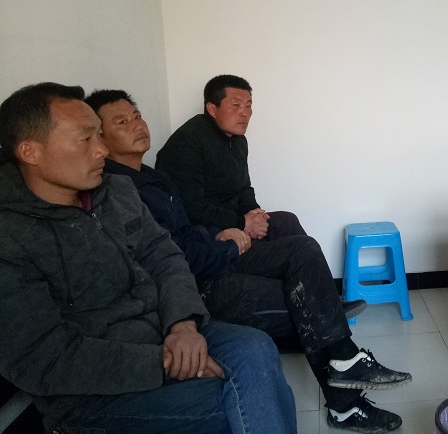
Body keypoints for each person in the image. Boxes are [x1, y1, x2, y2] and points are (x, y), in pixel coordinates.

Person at [86, 88, 411, 433]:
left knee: (292, 241)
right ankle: (342, 377)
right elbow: (177, 248)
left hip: (209, 255)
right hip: (198, 283)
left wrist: (240, 221)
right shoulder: (132, 184)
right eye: (122, 122)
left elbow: (194, 224)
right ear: (99, 138)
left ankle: (337, 347)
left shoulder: (153, 176)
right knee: (306, 288)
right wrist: (233, 235)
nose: (137, 125)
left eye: (137, 116)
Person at [0, 83, 297, 434]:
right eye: (85, 139)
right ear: (30, 151)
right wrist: (165, 362)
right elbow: (40, 358)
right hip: (93, 393)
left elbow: (166, 256)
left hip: (164, 329)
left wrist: (183, 324)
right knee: (233, 400)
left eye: (99, 135)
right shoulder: (12, 235)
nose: (101, 149)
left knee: (256, 349)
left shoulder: (117, 191)